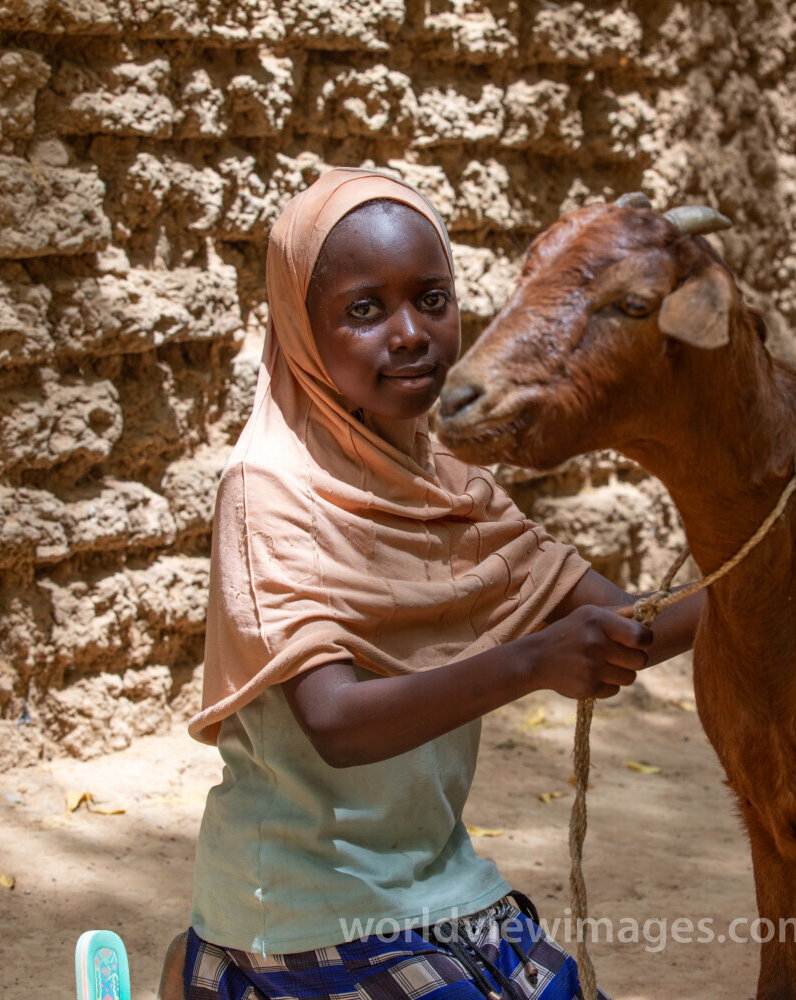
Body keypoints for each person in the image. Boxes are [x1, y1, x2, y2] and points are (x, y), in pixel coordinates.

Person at [152, 168, 703, 999]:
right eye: (365, 311)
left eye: (433, 300)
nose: (410, 334)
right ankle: (228, 971)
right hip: (304, 903)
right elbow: (334, 722)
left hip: (437, 879)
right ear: (302, 330)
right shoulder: (269, 489)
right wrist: (532, 662)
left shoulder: (448, 480)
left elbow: (630, 625)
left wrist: (771, 557)